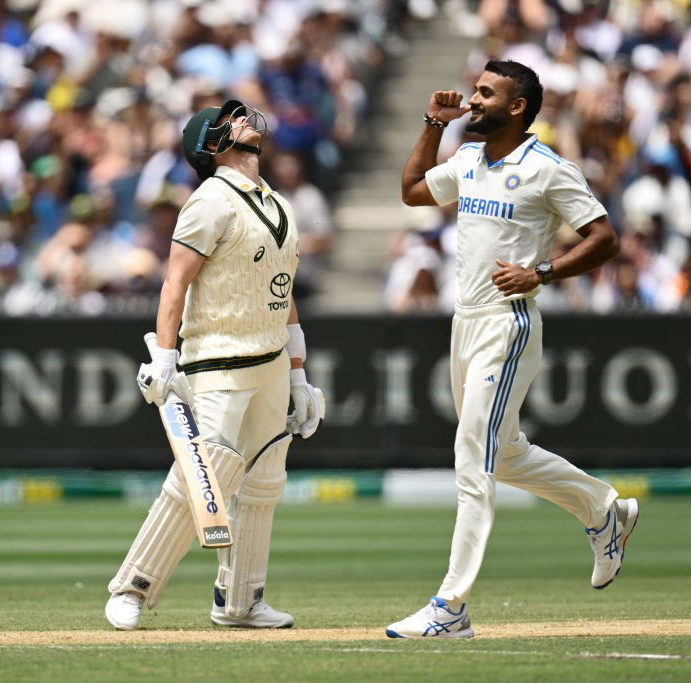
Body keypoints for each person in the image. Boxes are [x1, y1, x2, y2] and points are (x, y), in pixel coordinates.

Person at [386, 60, 639, 639]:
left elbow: (605, 239)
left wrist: (542, 272)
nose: (473, 100)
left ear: (517, 106)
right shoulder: (470, 158)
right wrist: (432, 122)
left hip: (508, 323)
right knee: (505, 452)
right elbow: (411, 192)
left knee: (472, 459)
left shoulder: (549, 169)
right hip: (465, 321)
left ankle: (451, 607)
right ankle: (603, 509)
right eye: (474, 91)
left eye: (485, 93)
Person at [104, 99, 326, 631]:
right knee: (203, 476)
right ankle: (133, 586)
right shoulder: (209, 201)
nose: (247, 120)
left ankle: (241, 601)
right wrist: (163, 357)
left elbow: (285, 292)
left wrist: (297, 372)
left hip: (270, 360)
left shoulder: (279, 203)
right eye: (233, 121)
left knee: (266, 480)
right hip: (217, 360)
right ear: (212, 143)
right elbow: (175, 281)